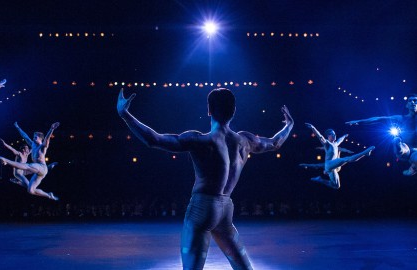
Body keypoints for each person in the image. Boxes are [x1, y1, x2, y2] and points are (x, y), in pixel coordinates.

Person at [117, 88, 294, 270]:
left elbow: (154, 140)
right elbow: (275, 142)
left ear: (209, 110)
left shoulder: (201, 140)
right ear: (234, 111)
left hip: (202, 208)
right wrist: (289, 125)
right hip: (225, 209)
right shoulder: (245, 141)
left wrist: (125, 114)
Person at [346, 94, 417, 176]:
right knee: (398, 142)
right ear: (407, 105)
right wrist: (359, 121)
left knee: (415, 156)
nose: (413, 102)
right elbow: (379, 119)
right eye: (410, 101)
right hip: (406, 149)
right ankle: (398, 146)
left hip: (415, 151)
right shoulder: (400, 118)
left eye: (415, 101)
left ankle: (413, 168)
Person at [299, 123, 375, 189]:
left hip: (333, 168)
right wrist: (313, 128)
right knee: (346, 159)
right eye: (332, 134)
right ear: (328, 136)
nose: (334, 135)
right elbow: (320, 136)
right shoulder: (327, 144)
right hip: (329, 164)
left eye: (335, 133)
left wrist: (344, 136)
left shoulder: (335, 144)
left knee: (336, 186)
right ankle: (365, 152)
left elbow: (340, 140)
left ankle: (320, 179)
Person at [0, 121, 60, 201]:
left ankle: (6, 160)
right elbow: (25, 136)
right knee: (30, 190)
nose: (33, 139)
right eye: (33, 137)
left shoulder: (43, 147)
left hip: (41, 167)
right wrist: (18, 127)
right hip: (38, 171)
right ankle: (49, 195)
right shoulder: (33, 145)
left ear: (41, 139)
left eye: (35, 137)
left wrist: (51, 129)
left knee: (27, 166)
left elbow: (47, 139)